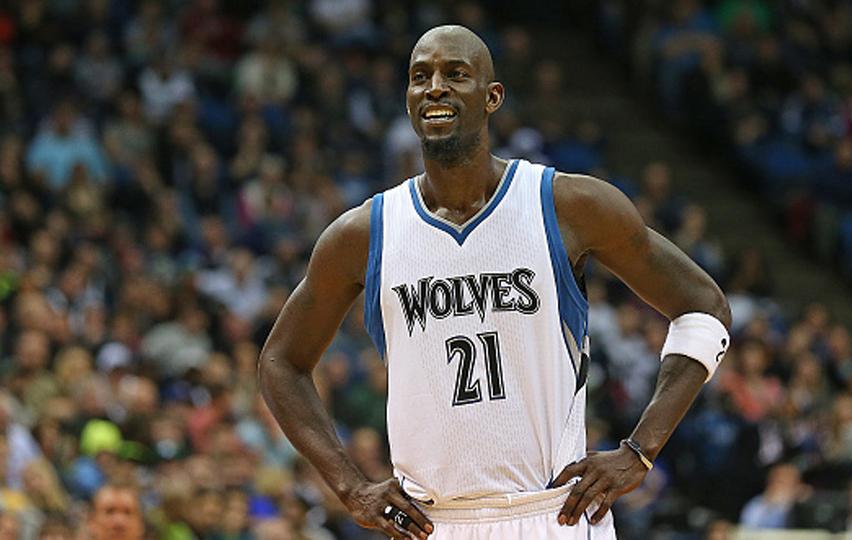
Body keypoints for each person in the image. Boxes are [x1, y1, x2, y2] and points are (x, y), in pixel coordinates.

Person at [259, 25, 731, 539]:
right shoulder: (364, 234)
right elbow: (280, 362)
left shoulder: (568, 205)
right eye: (420, 77)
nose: (434, 88)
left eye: (455, 74)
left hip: (554, 512)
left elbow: (703, 307)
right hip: (432, 522)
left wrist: (641, 450)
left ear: (492, 97)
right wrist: (350, 487)